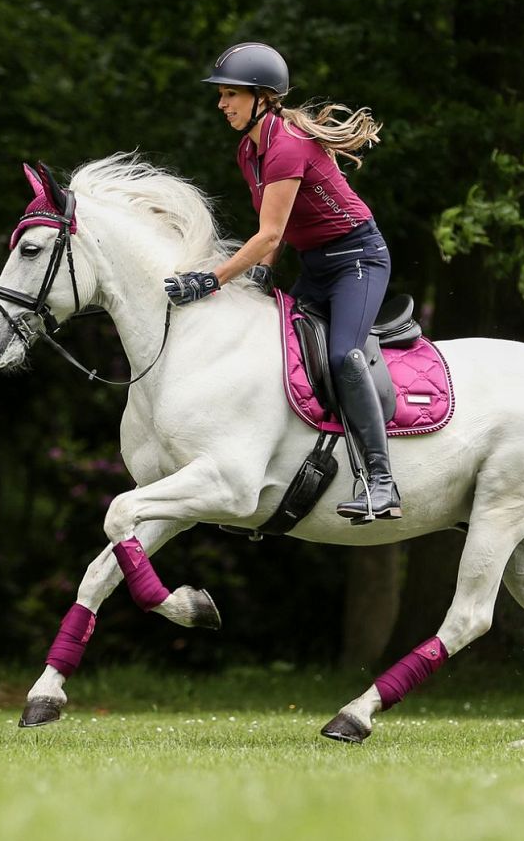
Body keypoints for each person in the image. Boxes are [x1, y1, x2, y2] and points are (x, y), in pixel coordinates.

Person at [163, 42, 400, 523]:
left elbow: (268, 233)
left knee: (342, 356)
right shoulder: (249, 150)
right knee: (278, 352)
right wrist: (253, 278)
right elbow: (274, 241)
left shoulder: (287, 146)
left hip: (358, 260)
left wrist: (209, 281)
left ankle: (381, 483)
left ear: (263, 98)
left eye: (231, 94)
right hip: (315, 264)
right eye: (222, 95)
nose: (222, 104)